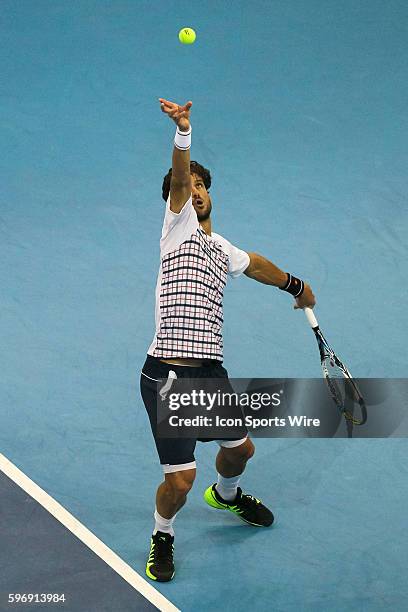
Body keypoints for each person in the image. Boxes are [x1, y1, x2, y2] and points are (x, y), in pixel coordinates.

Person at [140, 98, 316, 582]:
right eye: (186, 186)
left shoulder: (221, 249)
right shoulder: (176, 229)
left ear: (211, 193)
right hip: (169, 378)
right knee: (180, 480)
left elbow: (256, 264)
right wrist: (183, 132)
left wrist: (296, 287)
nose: (193, 190)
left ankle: (228, 496)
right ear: (175, 199)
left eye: (201, 185)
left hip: (210, 374)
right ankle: (163, 534)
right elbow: (177, 179)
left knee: (241, 451)